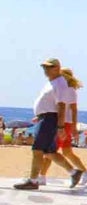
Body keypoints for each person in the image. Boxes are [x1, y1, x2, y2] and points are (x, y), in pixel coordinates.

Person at [14, 58, 74, 190]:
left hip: (49, 119)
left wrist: (60, 127)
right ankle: (74, 172)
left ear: (57, 68)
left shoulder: (59, 83)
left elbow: (61, 106)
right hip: (46, 118)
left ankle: (33, 181)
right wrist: (40, 115)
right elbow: (50, 103)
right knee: (50, 152)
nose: (46, 70)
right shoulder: (52, 82)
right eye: (44, 67)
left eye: (49, 67)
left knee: (37, 150)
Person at [42, 67, 87, 188]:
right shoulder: (68, 90)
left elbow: (73, 110)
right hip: (66, 123)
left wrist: (73, 126)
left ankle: (42, 176)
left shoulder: (68, 90)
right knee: (67, 152)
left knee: (50, 151)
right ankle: (85, 173)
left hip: (64, 124)